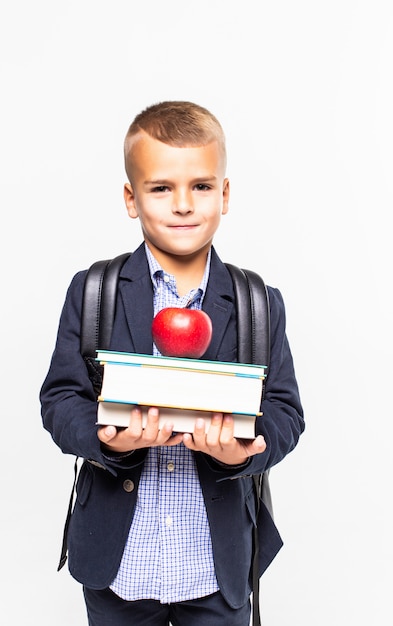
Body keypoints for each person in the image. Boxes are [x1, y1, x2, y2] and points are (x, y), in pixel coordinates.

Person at [40, 100, 304, 626]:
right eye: (161, 188)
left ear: (224, 195)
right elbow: (60, 399)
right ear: (131, 198)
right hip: (120, 567)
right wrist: (104, 438)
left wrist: (242, 452)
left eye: (202, 186)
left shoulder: (257, 303)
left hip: (215, 566)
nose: (183, 204)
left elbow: (285, 412)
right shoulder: (96, 292)